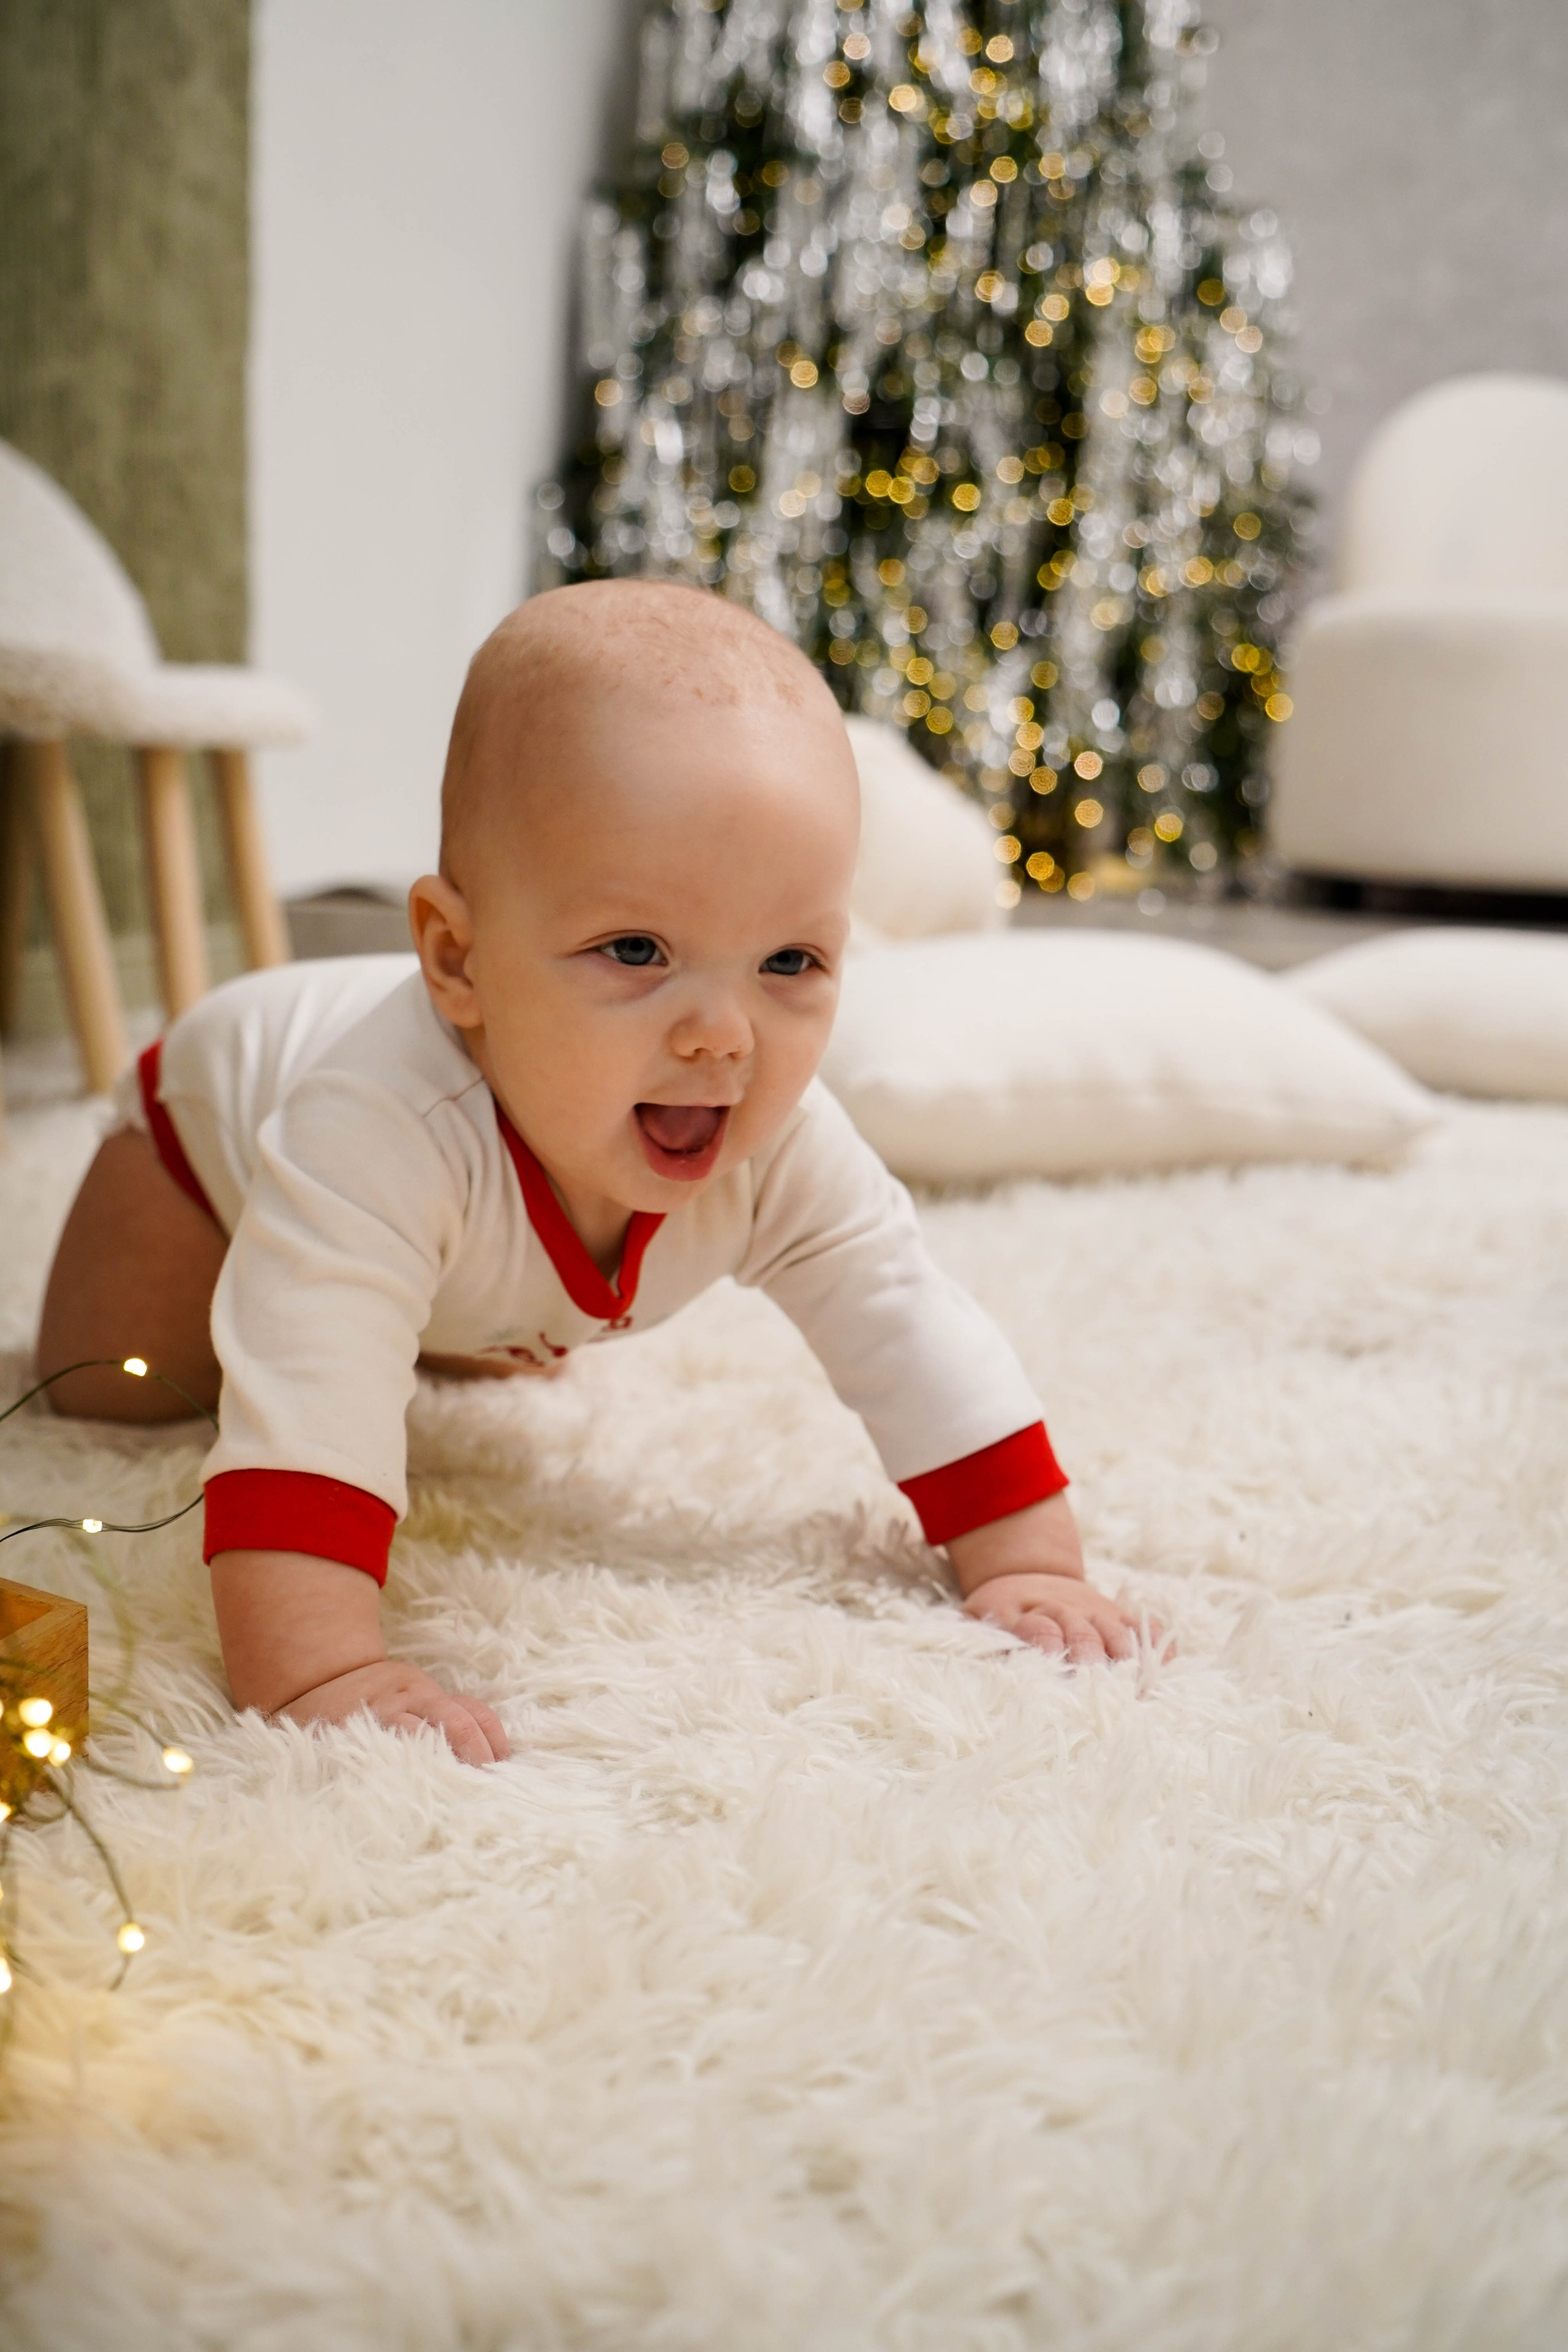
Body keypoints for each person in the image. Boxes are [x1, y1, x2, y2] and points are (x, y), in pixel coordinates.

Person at [39, 582, 1151, 1766]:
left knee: (441, 1320)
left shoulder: (778, 1142)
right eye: (636, 950)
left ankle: (430, 1305)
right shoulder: (377, 1125)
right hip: (203, 1138)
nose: (724, 1034)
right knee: (117, 1384)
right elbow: (304, 1425)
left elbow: (910, 1322)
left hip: (432, 1214)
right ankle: (398, 1301)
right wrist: (322, 1668)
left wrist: (1029, 1561)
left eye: (790, 960)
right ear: (456, 960)